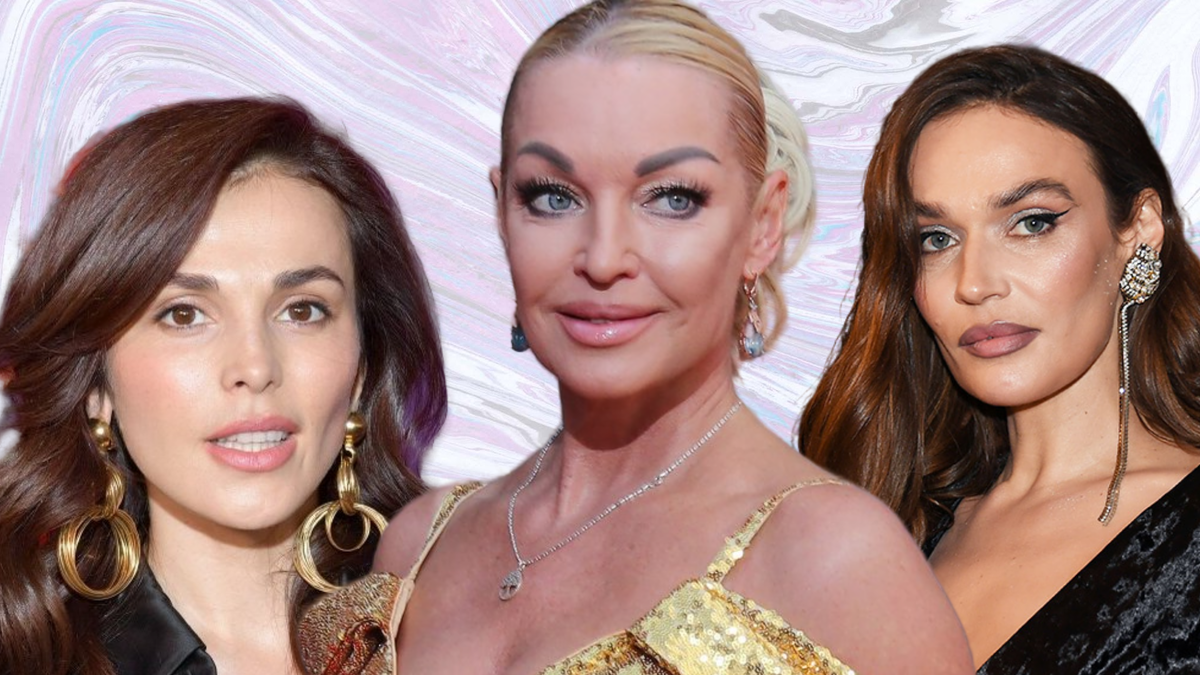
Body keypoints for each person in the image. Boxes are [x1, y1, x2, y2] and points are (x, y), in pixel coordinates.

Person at [299, 2, 971, 673]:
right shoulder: (418, 546)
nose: (603, 257)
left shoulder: (837, 562)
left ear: (762, 225)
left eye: (672, 197)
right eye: (554, 196)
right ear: (503, 213)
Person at [0, 97, 446, 674]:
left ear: (362, 367)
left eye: (303, 310)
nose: (255, 367)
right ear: (96, 385)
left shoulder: (474, 630)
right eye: (184, 314)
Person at [801, 44, 1200, 672]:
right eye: (937, 239)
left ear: (1138, 229)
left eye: (1031, 223)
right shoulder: (893, 524)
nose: (974, 283)